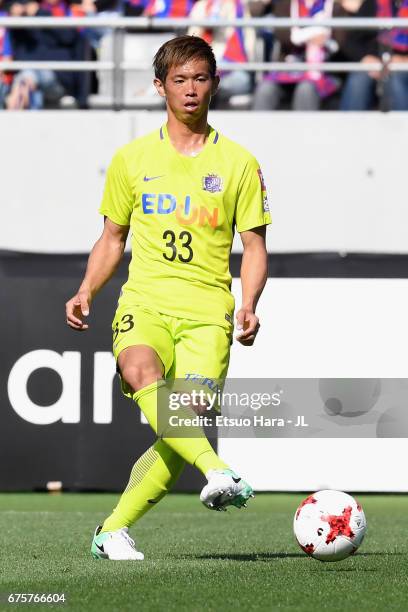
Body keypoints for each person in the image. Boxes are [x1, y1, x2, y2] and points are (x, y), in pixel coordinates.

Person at [66, 34, 271, 561]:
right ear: (160, 86)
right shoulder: (132, 159)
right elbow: (112, 239)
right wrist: (88, 288)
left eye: (200, 78)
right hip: (146, 301)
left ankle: (112, 530)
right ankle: (218, 471)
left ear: (215, 84)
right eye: (179, 79)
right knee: (139, 372)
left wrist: (248, 302)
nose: (190, 89)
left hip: (208, 311)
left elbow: (254, 246)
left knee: (182, 421)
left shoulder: (240, 164)